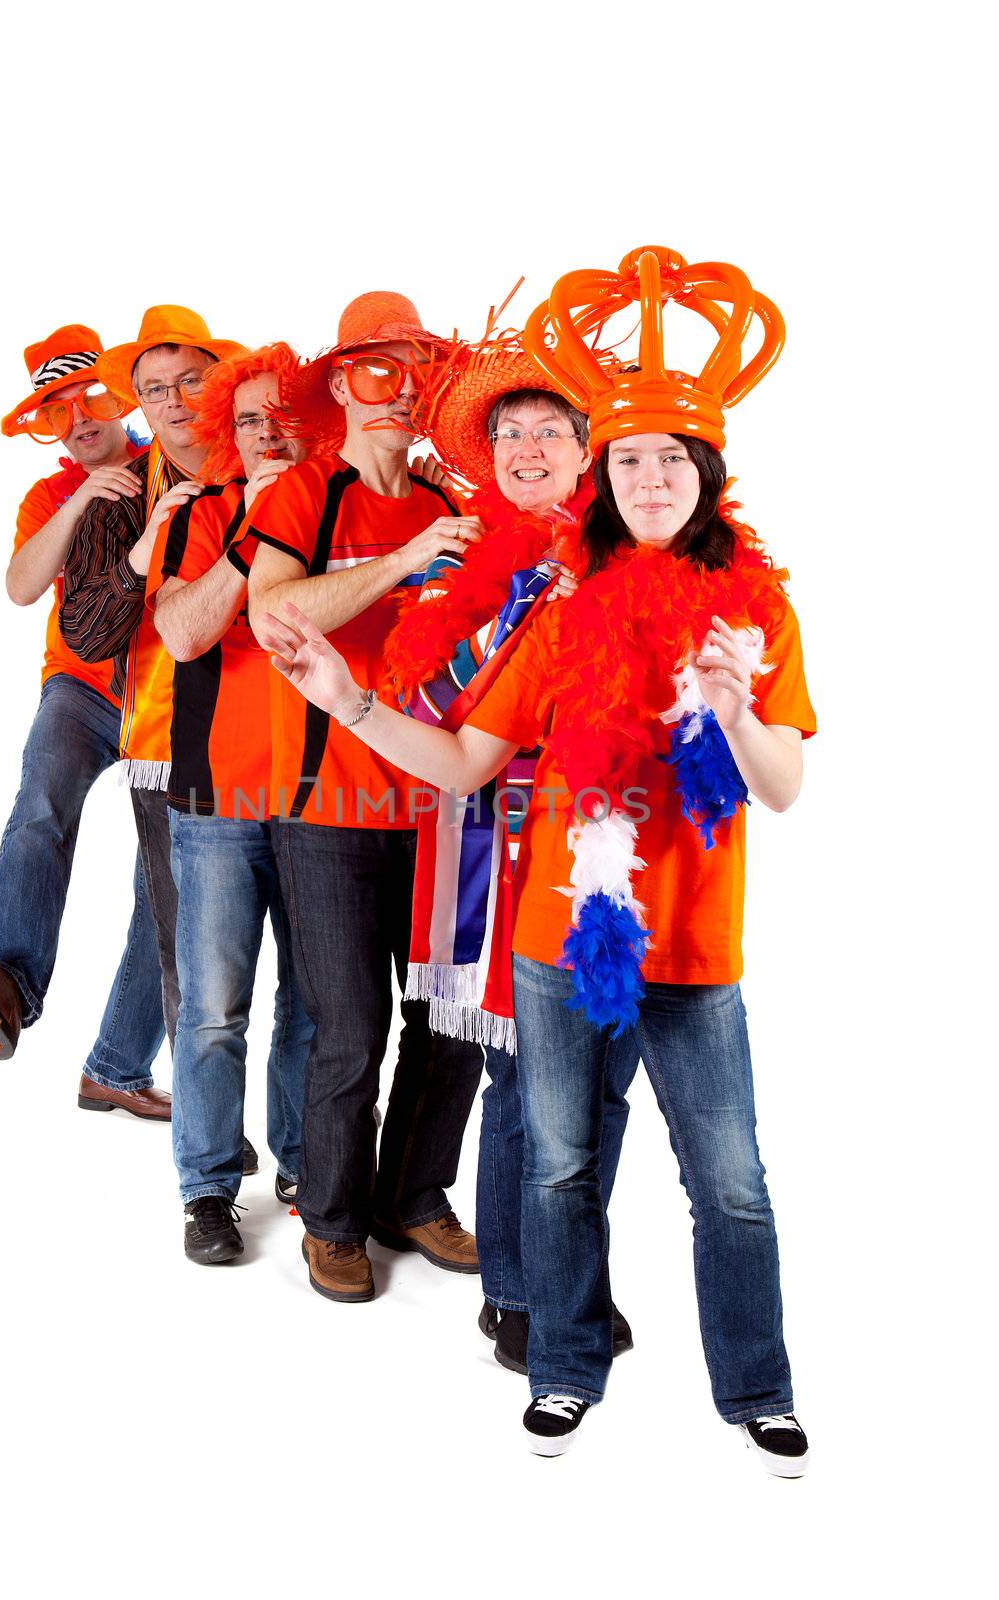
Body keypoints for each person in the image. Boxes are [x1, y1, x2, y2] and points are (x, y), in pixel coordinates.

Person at [259, 247, 815, 1476]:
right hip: (554, 934)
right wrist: (347, 695)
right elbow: (459, 759)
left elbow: (781, 786)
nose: (651, 473)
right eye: (633, 458)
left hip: (696, 947)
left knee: (730, 1183)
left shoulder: (756, 613)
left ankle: (758, 1392)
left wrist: (730, 709)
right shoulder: (562, 611)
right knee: (559, 1161)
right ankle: (561, 1367)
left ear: (706, 474)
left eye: (672, 456)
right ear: (607, 481)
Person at [388, 337, 633, 1373]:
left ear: (588, 453)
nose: (530, 448)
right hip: (496, 840)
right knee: (524, 1076)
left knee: (604, 1079)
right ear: (487, 454)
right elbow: (422, 701)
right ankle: (517, 1292)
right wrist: (522, 616)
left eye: (550, 432)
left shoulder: (635, 550)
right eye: (511, 433)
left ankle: (570, 1272)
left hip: (611, 842)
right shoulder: (462, 555)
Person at [244, 292, 486, 1303]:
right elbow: (270, 614)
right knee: (350, 1027)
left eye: (416, 372)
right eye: (379, 370)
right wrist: (397, 567)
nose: (398, 392)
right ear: (342, 383)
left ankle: (412, 1194)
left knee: (453, 1025)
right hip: (329, 813)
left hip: (443, 807)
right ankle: (334, 1220)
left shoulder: (447, 503)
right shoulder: (304, 495)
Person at [0, 323, 171, 1121]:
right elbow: (19, 585)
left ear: (120, 397)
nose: (78, 421)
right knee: (41, 803)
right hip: (79, 689)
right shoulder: (48, 495)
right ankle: (2, 987)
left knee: (163, 889)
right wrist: (81, 497)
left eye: (90, 401)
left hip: (163, 695)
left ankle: (117, 1066)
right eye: (57, 413)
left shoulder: (169, 460)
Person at [58, 307, 262, 1172]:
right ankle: (206, 1157)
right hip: (167, 745)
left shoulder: (269, 462)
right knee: (196, 960)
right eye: (152, 389)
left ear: (219, 384)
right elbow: (87, 631)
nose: (174, 402)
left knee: (265, 952)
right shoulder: (121, 492)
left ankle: (115, 1068)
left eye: (190, 382)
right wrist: (145, 548)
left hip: (280, 736)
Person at [145, 343, 318, 1264]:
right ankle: (208, 1187)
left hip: (323, 797)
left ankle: (300, 1166)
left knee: (316, 1003)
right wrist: (259, 529)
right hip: (214, 798)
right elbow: (181, 630)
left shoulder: (336, 505)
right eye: (248, 418)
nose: (268, 431)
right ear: (227, 431)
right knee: (212, 1007)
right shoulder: (200, 514)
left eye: (283, 414)